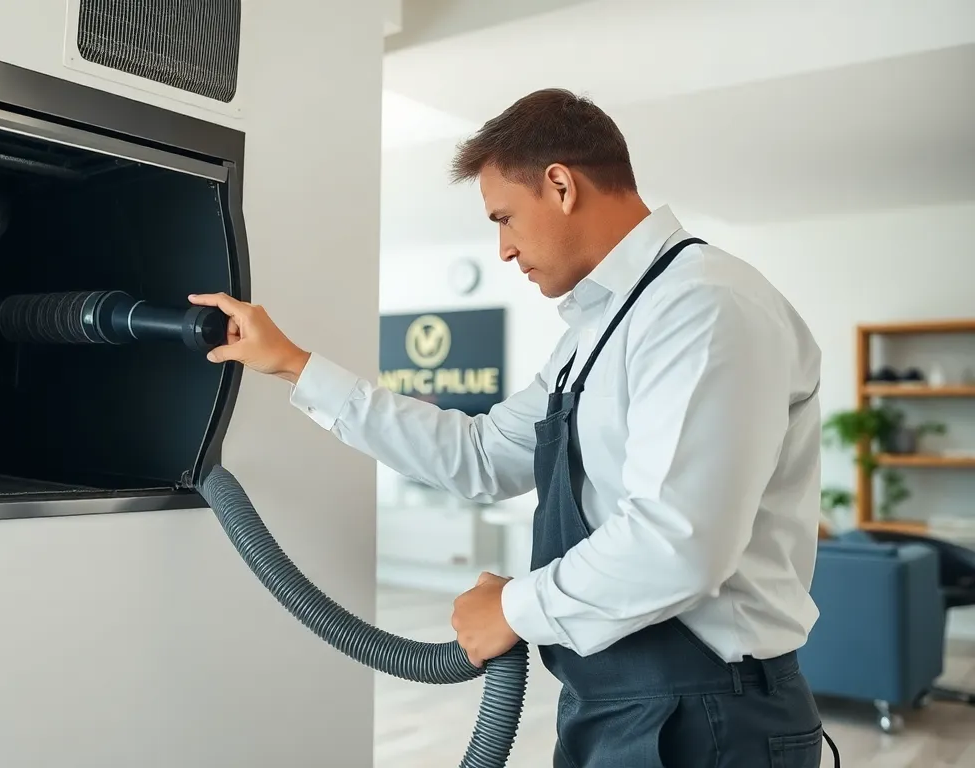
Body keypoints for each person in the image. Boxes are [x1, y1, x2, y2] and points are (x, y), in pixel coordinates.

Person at [189, 88, 838, 767]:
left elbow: (679, 543)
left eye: (504, 218)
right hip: (615, 702)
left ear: (560, 185)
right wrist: (295, 365)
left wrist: (514, 608)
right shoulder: (598, 330)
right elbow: (482, 454)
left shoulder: (701, 306)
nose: (502, 249)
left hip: (706, 720)